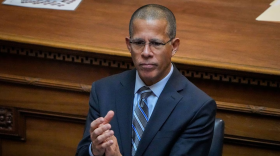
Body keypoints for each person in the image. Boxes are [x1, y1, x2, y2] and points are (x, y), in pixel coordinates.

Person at [76, 4, 216, 156]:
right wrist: (94, 150)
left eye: (156, 43)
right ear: (129, 45)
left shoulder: (197, 107)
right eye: (139, 43)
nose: (146, 52)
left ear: (174, 46)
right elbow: (83, 152)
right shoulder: (103, 90)